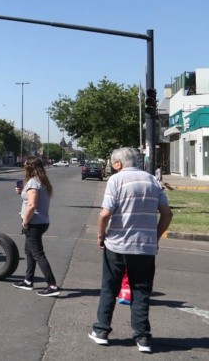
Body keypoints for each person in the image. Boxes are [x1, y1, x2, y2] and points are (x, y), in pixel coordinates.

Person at [89, 147, 172, 353]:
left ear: (118, 164)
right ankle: (143, 338)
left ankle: (101, 331)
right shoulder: (153, 180)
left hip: (117, 245)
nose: (111, 166)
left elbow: (104, 214)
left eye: (111, 163)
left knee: (110, 287)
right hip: (145, 247)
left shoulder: (116, 180)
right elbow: (167, 214)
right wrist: (155, 236)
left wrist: (101, 235)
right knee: (141, 290)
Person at [13, 156, 61, 297]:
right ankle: (28, 281)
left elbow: (32, 205)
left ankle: (52, 285)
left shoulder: (33, 182)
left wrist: (25, 222)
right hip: (42, 221)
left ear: (30, 167)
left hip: (34, 223)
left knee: (38, 254)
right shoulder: (42, 181)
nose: (23, 167)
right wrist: (21, 192)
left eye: (25, 165)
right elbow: (31, 199)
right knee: (29, 251)